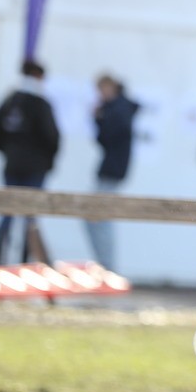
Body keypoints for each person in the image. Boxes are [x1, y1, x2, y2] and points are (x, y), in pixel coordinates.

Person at [0, 59, 60, 265]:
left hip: (13, 165)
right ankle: (25, 263)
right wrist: (46, 160)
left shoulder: (10, 102)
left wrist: (10, 152)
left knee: (7, 212)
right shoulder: (41, 104)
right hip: (35, 168)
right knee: (30, 217)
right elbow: (52, 137)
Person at [84, 74, 139, 270]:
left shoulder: (118, 109)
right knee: (96, 217)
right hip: (112, 169)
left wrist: (99, 118)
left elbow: (107, 138)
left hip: (112, 169)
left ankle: (107, 266)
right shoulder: (119, 108)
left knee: (98, 217)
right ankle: (105, 264)